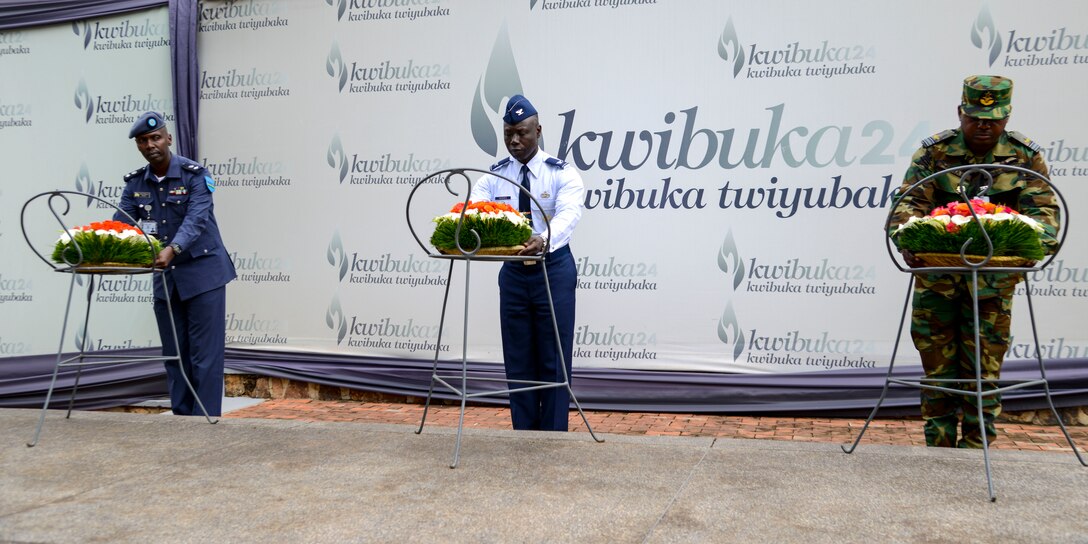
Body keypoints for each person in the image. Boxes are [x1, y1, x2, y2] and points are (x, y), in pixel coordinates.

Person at [889, 76, 1059, 448]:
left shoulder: (1023, 156)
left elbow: (1045, 214)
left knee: (984, 369)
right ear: (960, 113)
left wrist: (1029, 245)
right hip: (938, 281)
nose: (984, 125)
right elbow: (908, 205)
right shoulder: (934, 154)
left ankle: (976, 447)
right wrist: (909, 238)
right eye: (975, 117)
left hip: (993, 286)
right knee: (937, 369)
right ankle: (940, 449)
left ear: (1007, 116)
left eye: (994, 118)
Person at [470, 95, 585, 431]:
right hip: (514, 275)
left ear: (538, 130)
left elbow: (568, 214)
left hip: (554, 270)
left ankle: (552, 438)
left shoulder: (561, 174)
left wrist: (544, 239)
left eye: (522, 132)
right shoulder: (494, 177)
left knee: (553, 359)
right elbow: (477, 208)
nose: (515, 141)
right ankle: (522, 434)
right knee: (518, 357)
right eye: (508, 134)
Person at [115, 112, 237, 417]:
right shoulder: (135, 183)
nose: (150, 144)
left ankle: (205, 423)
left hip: (203, 275)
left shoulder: (195, 175)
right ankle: (181, 422)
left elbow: (196, 219)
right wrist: (103, 246)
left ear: (169, 139)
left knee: (204, 357)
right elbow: (121, 225)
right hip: (166, 280)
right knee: (174, 355)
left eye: (156, 138)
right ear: (138, 147)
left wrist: (172, 248)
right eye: (143, 141)